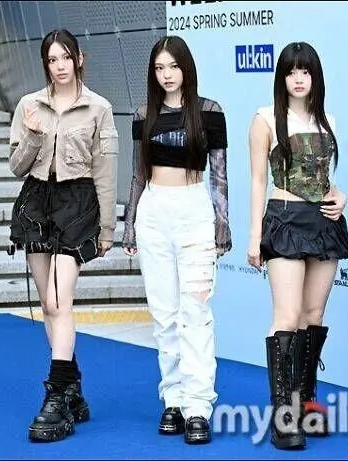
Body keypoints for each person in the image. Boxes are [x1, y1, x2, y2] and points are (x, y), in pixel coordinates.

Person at [7, 28, 118, 442]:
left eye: (65, 58)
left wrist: (107, 227)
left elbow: (105, 171)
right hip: (37, 202)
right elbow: (17, 167)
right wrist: (33, 135)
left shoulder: (99, 108)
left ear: (79, 59)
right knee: (48, 306)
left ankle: (55, 394)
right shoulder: (28, 105)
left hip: (77, 203)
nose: (59, 66)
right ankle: (72, 387)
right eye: (52, 60)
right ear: (45, 64)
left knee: (58, 300)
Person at [122, 35, 230, 445]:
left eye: (173, 66)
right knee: (164, 314)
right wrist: (129, 223)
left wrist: (223, 225)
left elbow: (219, 175)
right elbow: (137, 174)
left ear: (187, 68)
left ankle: (198, 405)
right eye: (159, 68)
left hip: (194, 211)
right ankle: (173, 398)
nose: (166, 75)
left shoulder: (210, 112)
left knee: (195, 312)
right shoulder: (143, 114)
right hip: (153, 213)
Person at [247, 41, 348, 450]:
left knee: (313, 315)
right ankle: (283, 414)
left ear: (315, 77)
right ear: (282, 77)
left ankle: (306, 402)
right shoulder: (264, 119)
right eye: (291, 71)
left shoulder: (327, 118)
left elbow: (323, 178)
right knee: (288, 315)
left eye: (305, 71)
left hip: (324, 222)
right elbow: (258, 180)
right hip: (285, 220)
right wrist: (254, 235)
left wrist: (340, 196)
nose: (298, 78)